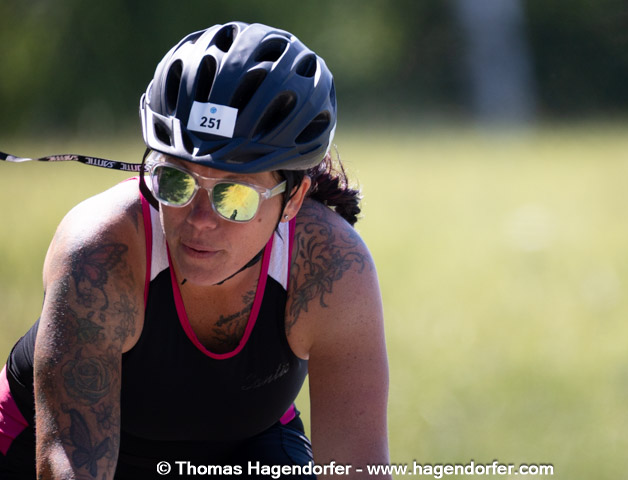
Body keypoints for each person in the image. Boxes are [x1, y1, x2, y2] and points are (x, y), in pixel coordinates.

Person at [0, 21, 390, 479]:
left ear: (294, 198)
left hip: (243, 449)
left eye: (235, 196)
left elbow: (357, 470)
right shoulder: (98, 252)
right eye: (176, 181)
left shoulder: (332, 267)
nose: (200, 219)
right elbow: (68, 465)